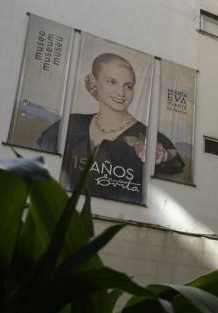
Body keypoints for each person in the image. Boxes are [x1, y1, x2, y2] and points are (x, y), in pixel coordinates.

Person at [39, 53, 184, 203]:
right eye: (112, 82)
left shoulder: (154, 139)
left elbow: (166, 191)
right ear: (95, 82)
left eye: (128, 86)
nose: (121, 93)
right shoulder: (71, 124)